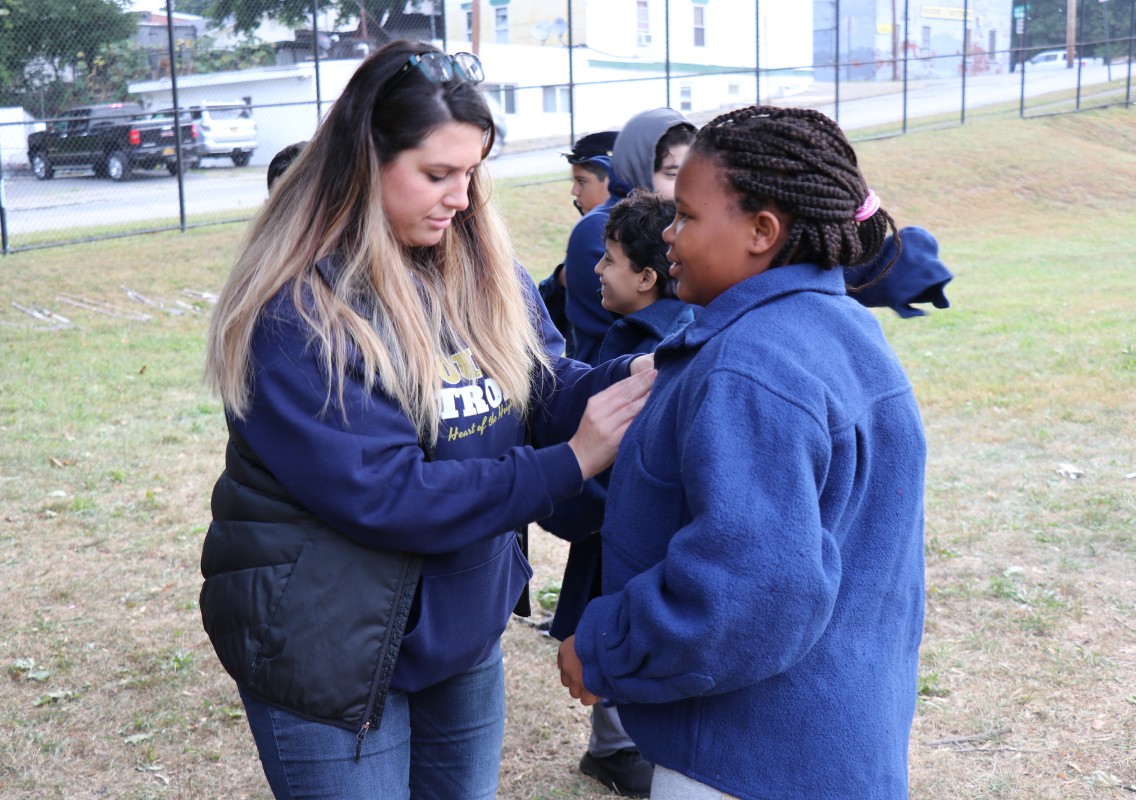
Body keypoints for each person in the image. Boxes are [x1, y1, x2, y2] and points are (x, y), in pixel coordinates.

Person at [198, 40, 655, 800]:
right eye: (437, 174)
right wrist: (570, 461)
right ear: (360, 162)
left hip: (461, 631)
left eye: (472, 172)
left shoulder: (480, 268)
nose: (463, 198)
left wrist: (636, 379)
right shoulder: (296, 313)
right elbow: (389, 495)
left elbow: (538, 387)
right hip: (329, 646)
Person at [558, 106, 928, 800]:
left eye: (687, 219)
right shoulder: (846, 328)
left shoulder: (750, 369)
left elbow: (746, 595)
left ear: (763, 231)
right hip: (839, 743)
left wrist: (604, 647)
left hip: (742, 764)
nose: (668, 234)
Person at [541, 190, 693, 797]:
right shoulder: (680, 325)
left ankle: (618, 744)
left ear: (648, 276)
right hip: (624, 524)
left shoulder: (636, 342)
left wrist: (571, 506)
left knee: (620, 615)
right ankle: (614, 745)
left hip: (621, 527)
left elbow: (613, 456)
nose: (597, 270)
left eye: (608, 260)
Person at [561, 109, 696, 364]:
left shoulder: (684, 221)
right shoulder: (609, 227)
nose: (687, 185)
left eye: (691, 172)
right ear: (638, 167)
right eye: (672, 174)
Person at [539, 129, 619, 341]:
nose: (574, 191)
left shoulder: (593, 228)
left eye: (582, 181)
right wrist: (559, 282)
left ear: (613, 178)